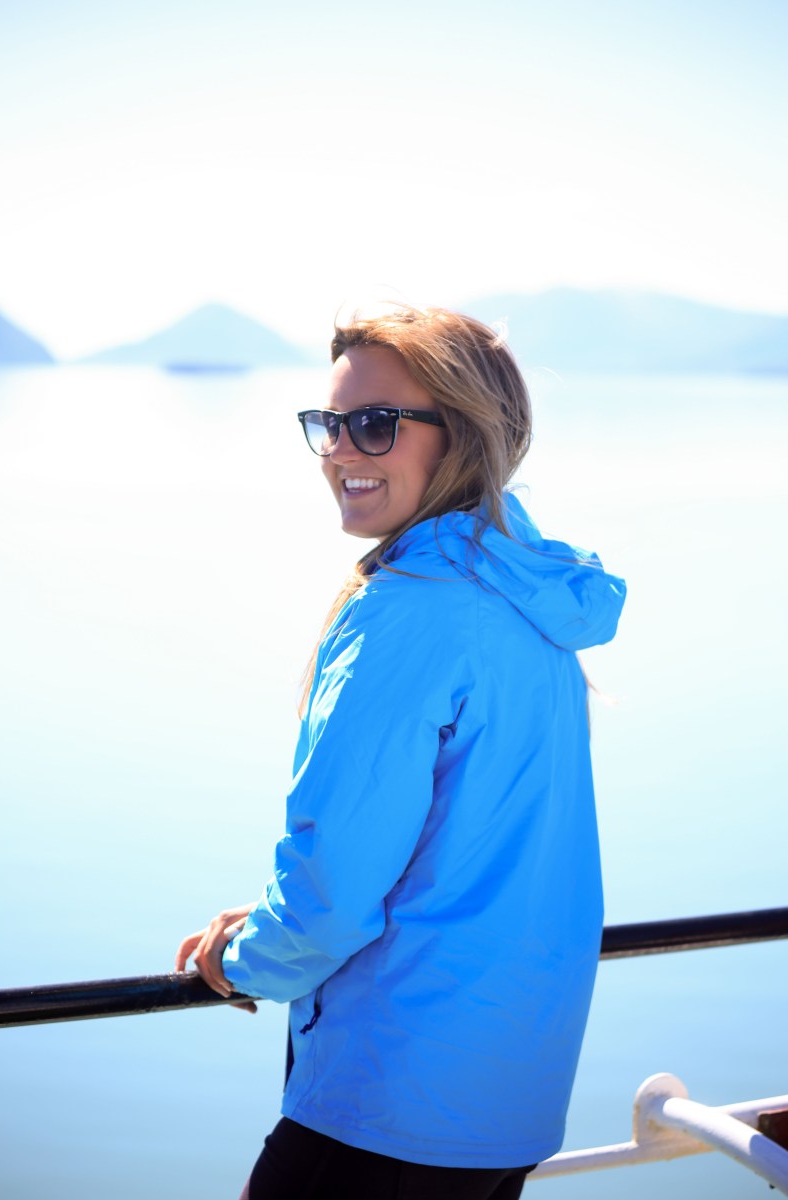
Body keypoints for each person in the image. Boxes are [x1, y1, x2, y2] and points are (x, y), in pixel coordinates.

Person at [175, 304, 626, 1200]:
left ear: (461, 435)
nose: (341, 450)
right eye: (329, 424)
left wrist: (243, 958)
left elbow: (333, 899)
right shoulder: (531, 596)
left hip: (388, 1107)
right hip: (507, 1104)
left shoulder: (407, 612)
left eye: (375, 424)